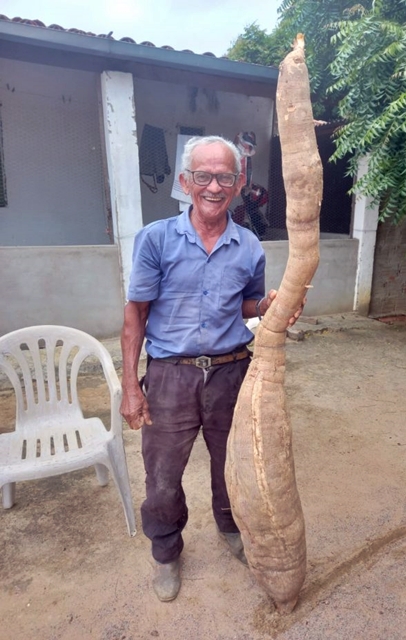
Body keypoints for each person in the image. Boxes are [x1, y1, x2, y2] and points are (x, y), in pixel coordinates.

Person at [120, 135, 303, 603]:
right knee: (161, 476)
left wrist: (267, 305)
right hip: (169, 376)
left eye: (225, 176)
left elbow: (247, 306)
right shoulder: (156, 239)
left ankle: (230, 528)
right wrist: (130, 387)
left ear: (239, 183)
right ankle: (165, 552)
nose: (214, 186)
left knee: (232, 465)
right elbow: (135, 315)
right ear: (186, 181)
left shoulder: (249, 247)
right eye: (204, 175)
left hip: (230, 373)